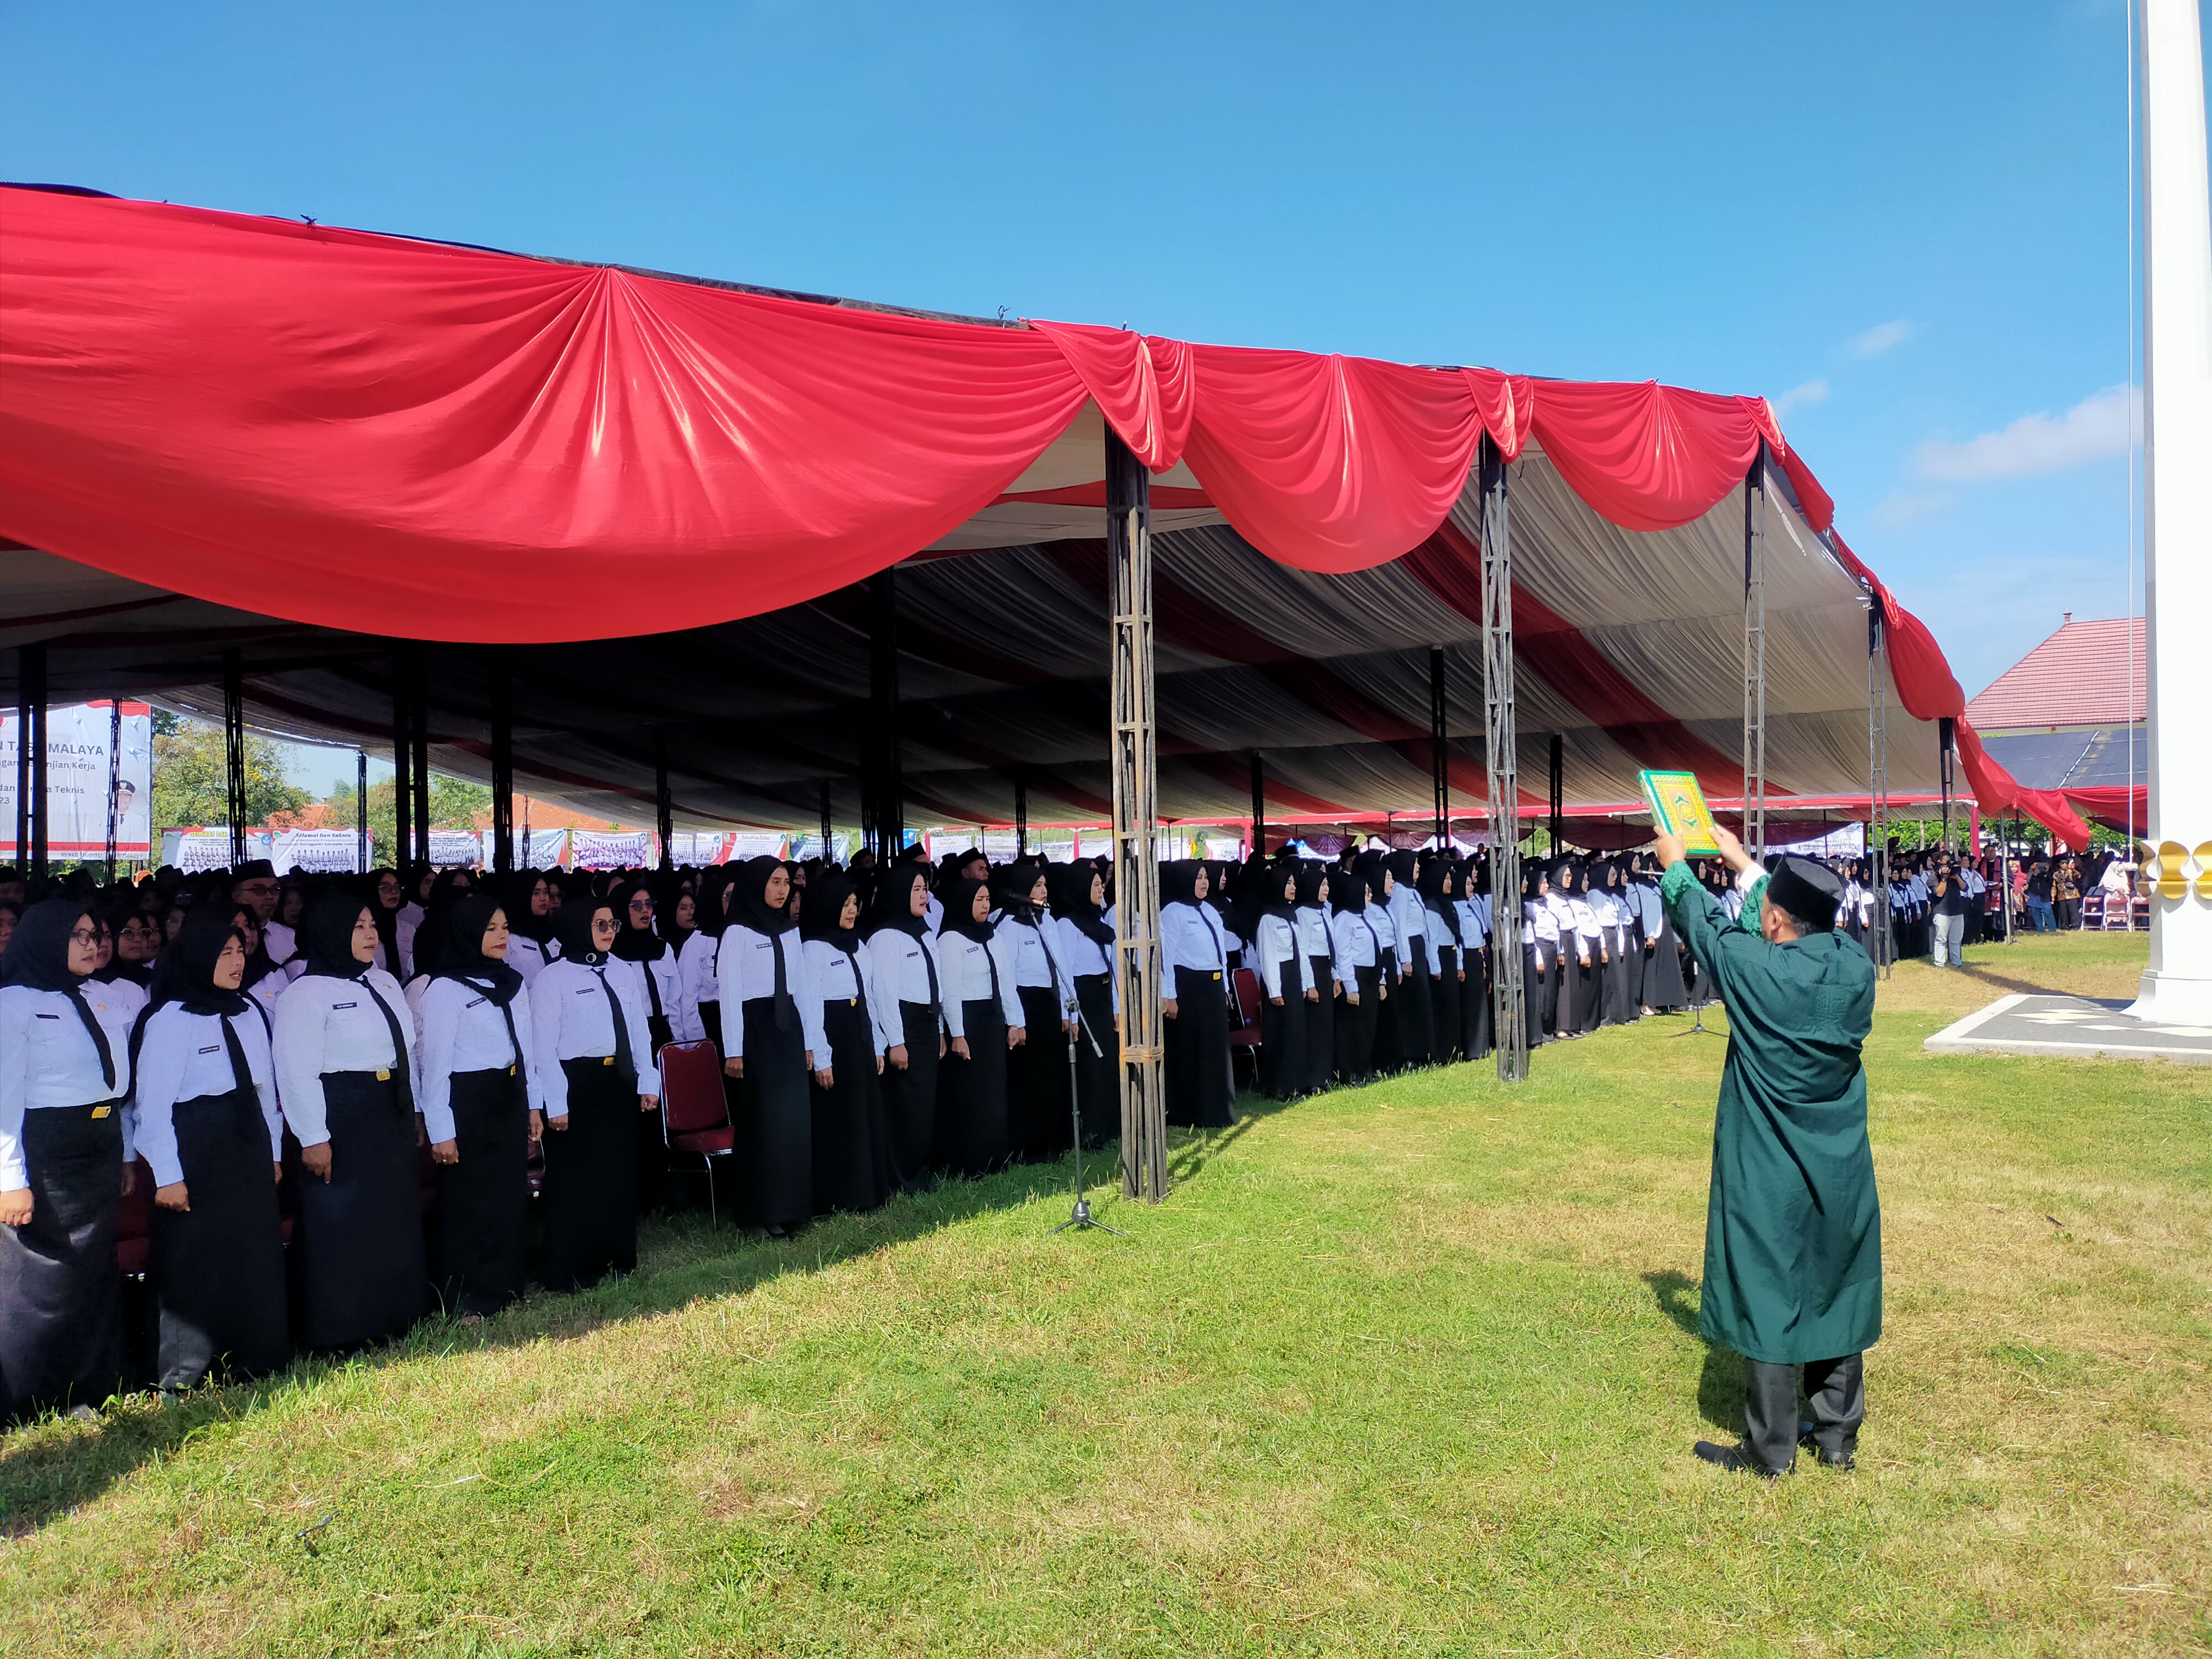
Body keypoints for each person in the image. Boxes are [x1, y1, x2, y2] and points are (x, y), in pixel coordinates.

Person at [1655, 823, 1880, 1479]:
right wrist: (1747, 867)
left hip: (1769, 1159)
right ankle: (1836, 1436)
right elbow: (1785, 931)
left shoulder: (1757, 972)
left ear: (1776, 920)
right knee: (1836, 1280)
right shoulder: (1855, 967)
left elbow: (1707, 928)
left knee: (1768, 1282)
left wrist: (1676, 867)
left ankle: (1770, 1450)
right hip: (1839, 1159)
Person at [129, 907, 289, 1390]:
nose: (237, 962)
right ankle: (188, 1371)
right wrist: (168, 1176)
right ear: (199, 957)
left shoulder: (249, 1010)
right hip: (195, 1147)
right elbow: (152, 1107)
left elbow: (266, 1090)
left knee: (252, 1251)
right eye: (225, 953)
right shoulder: (170, 1019)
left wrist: (274, 1153)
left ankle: (257, 1355)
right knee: (195, 1257)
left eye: (240, 951)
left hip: (247, 1141)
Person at [1, 898, 140, 1420]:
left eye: (95, 935)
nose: (92, 945)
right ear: (45, 939)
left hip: (99, 1140)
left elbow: (116, 1087)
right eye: (78, 935)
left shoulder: (101, 997)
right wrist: (9, 1179)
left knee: (94, 1271)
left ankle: (92, 1387)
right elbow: (4, 1099)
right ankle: (30, 1398)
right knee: (42, 1278)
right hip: (46, 1147)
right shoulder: (13, 1004)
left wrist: (125, 1152)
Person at [272, 893, 426, 1353]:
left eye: (373, 925)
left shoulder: (385, 982)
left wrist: (414, 1108)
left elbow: (406, 1052)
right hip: (340, 1111)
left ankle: (395, 1315)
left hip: (388, 1104)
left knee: (390, 1214)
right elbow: (296, 1072)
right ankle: (342, 1329)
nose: (370, 934)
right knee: (341, 1220)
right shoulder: (305, 993)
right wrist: (313, 1137)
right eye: (358, 926)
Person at [418, 895, 541, 1319]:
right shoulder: (445, 989)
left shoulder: (513, 982)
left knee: (506, 1195)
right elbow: (434, 1066)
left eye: (505, 928)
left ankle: (505, 1286)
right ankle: (466, 1297)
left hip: (509, 1094)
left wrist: (533, 1106)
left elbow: (526, 1048)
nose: (501, 936)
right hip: (468, 1101)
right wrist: (441, 1130)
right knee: (469, 1200)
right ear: (469, 933)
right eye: (490, 929)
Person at [531, 896, 660, 1287]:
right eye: (599, 924)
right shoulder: (553, 978)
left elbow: (639, 1029)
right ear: (577, 927)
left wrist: (647, 1079)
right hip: (575, 1085)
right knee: (577, 1180)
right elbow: (543, 1047)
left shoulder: (622, 970)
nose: (609, 932)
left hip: (616, 1081)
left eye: (612, 924)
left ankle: (616, 1257)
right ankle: (574, 1267)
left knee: (616, 1174)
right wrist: (556, 1102)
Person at [717, 856, 822, 1235]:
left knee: (791, 1122)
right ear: (757, 884)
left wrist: (810, 1041)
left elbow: (803, 988)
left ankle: (790, 1208)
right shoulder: (737, 933)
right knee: (763, 1122)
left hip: (788, 1029)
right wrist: (734, 1049)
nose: (782, 891)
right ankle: (760, 1213)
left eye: (786, 883)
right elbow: (730, 994)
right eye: (774, 882)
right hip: (755, 1031)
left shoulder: (790, 930)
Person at [799, 874, 891, 1214]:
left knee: (864, 1113)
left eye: (855, 904)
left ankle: (868, 1191)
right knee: (838, 1117)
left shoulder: (859, 945)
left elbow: (870, 997)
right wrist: (822, 1057)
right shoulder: (813, 949)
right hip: (834, 1037)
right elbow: (810, 1007)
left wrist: (878, 1044)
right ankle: (839, 1196)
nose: (852, 911)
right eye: (845, 904)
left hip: (860, 1034)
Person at [862, 865, 946, 1192]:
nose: (924, 896)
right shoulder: (885, 937)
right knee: (906, 1105)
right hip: (904, 1025)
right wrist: (896, 1041)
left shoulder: (924, 931)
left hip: (928, 1023)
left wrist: (940, 1028)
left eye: (925, 889)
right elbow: (884, 993)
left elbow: (935, 983)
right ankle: (903, 1178)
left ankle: (921, 1171)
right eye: (916, 890)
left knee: (925, 1104)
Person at [934, 875, 1024, 1176]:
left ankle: (995, 1157)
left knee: (994, 1092)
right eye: (978, 900)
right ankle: (970, 1162)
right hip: (967, 1021)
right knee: (970, 1094)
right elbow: (950, 992)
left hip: (992, 1018)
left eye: (987, 900)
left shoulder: (992, 935)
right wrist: (957, 1034)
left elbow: (1007, 980)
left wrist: (1014, 1022)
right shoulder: (951, 939)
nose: (985, 906)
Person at [994, 863, 1075, 1161]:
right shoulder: (1009, 925)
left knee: (1052, 1077)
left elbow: (1062, 966)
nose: (1043, 891)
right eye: (1037, 886)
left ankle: (1053, 1142)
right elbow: (1007, 977)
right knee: (1029, 1079)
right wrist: (1016, 1021)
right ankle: (1028, 1147)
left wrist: (1068, 1011)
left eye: (1044, 885)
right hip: (1025, 1005)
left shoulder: (1048, 920)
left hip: (1050, 1003)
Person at [1047, 860, 1119, 1146]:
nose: (1102, 890)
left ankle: (1109, 1127)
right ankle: (1090, 1132)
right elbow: (1065, 972)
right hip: (1083, 999)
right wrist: (1072, 1016)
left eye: (1102, 884)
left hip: (1103, 997)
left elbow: (1111, 968)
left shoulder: (1098, 922)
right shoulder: (1068, 924)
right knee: (1089, 1065)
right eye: (1096, 885)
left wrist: (1116, 1008)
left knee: (1107, 1063)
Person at [1159, 860, 1234, 1125]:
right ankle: (1190, 1111)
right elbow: (1166, 958)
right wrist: (1169, 995)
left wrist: (1225, 989)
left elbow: (1222, 954)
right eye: (1198, 878)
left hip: (1213, 986)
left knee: (1215, 1049)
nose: (1204, 883)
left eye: (1205, 877)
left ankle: (1217, 1108)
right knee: (1192, 1050)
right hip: (1189, 988)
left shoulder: (1210, 910)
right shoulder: (1173, 913)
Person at [1249, 862, 1308, 1100]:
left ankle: (1294, 1083)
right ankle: (1278, 1086)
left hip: (1294, 976)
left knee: (1295, 1032)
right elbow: (1268, 956)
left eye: (1294, 883)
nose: (1293, 887)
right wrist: (1275, 991)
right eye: (1288, 883)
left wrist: (1306, 983)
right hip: (1279, 979)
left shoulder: (1291, 914)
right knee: (1280, 1034)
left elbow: (1301, 952)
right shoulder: (1268, 919)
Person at [1328, 867, 1386, 1084]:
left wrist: (1381, 980)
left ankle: (1364, 1068)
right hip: (1355, 977)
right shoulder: (1344, 919)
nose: (1370, 895)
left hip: (1371, 976)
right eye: (1366, 891)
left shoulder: (1367, 916)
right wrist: (1351, 987)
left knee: (1368, 1026)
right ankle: (1350, 1073)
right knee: (1353, 1027)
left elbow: (1378, 949)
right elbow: (1343, 955)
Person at [1292, 864, 1338, 1092]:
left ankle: (1325, 1076)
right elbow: (1302, 951)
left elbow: (1332, 946)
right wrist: (1310, 984)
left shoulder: (1325, 911)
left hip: (1327, 970)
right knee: (1314, 1028)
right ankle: (1312, 1080)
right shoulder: (1303, 913)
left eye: (1327, 884)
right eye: (1322, 885)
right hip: (1312, 970)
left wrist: (1336, 976)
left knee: (1326, 1026)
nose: (1326, 889)